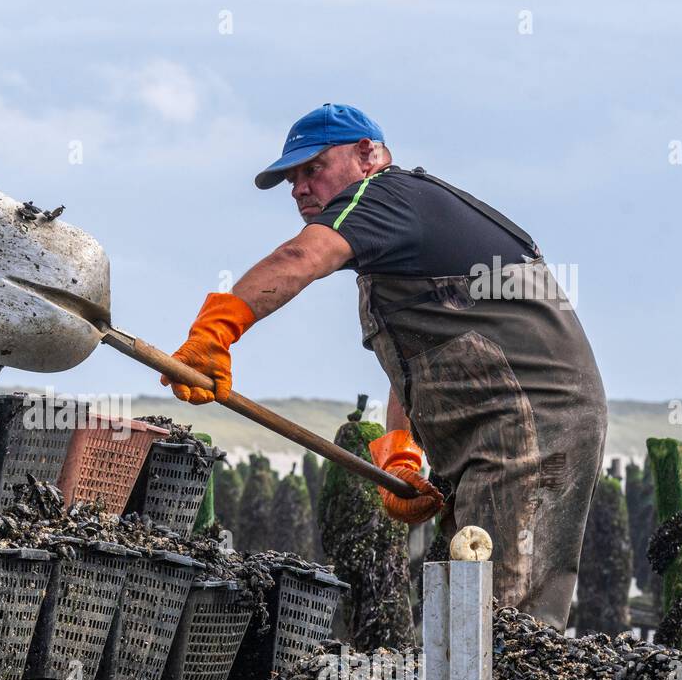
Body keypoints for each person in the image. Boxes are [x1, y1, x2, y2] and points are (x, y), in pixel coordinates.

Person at [162, 103, 606, 631]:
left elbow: (298, 259)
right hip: (493, 433)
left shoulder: (385, 195)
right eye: (292, 178)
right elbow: (421, 360)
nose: (300, 188)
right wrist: (401, 453)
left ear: (368, 154)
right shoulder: (397, 237)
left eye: (313, 168)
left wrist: (216, 330)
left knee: (503, 618)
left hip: (532, 429)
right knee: (457, 609)